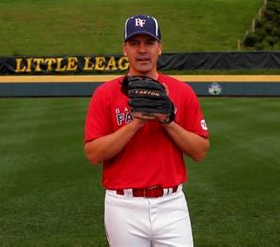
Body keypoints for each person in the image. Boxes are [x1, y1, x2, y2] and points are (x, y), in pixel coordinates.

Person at [84, 14, 210, 246]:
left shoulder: (182, 92)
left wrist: (167, 120)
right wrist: (137, 123)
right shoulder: (105, 94)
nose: (142, 50)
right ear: (125, 49)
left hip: (171, 204)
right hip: (123, 206)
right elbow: (93, 154)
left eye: (149, 42)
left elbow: (200, 151)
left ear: (159, 48)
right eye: (134, 43)